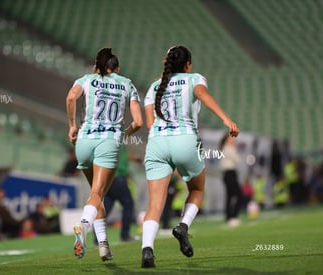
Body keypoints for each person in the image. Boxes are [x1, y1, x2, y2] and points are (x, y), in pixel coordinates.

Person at [140, 46, 239, 268]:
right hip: (185, 139)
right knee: (196, 189)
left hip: (156, 142)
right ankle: (183, 226)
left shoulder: (154, 87)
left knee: (155, 204)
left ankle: (147, 249)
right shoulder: (194, 78)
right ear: (188, 64)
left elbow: (149, 124)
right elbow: (203, 95)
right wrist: (226, 119)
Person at [66, 47, 143, 261]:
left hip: (84, 140)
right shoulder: (126, 83)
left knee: (95, 195)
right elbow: (138, 122)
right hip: (108, 141)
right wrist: (124, 133)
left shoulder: (86, 80)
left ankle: (103, 247)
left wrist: (72, 125)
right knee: (97, 194)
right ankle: (83, 225)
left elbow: (71, 98)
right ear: (116, 68)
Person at [102, 144, 140, 242]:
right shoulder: (117, 136)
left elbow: (123, 156)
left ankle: (98, 237)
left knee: (106, 207)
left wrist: (134, 158)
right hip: (117, 177)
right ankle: (125, 235)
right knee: (128, 204)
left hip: (109, 177)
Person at [220, 133, 243, 227]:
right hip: (230, 173)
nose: (233, 140)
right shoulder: (228, 148)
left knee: (230, 196)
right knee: (238, 195)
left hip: (228, 174)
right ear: (227, 140)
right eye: (231, 139)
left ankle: (229, 217)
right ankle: (232, 216)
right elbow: (238, 160)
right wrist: (235, 148)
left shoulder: (225, 148)